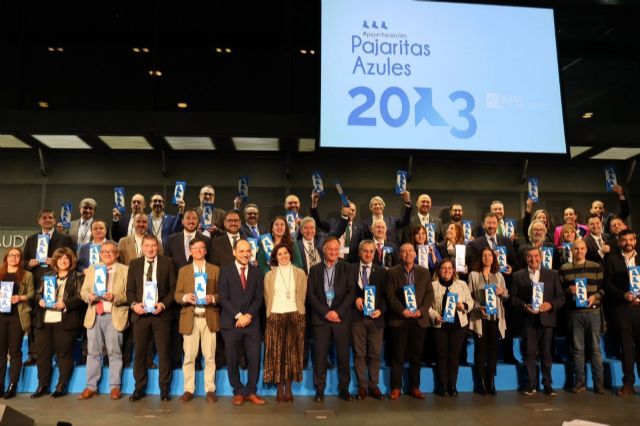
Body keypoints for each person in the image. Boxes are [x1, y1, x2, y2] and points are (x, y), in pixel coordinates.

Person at [127, 234, 176, 402]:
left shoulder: (168, 263)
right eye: (147, 245)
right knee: (139, 354)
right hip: (140, 316)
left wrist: (162, 304)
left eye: (153, 245)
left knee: (164, 354)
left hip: (160, 315)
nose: (150, 249)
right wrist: (134, 305)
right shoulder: (134, 264)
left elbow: (173, 290)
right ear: (142, 247)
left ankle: (165, 390)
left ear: (158, 246)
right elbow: (130, 290)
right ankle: (139, 389)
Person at [78, 241, 129, 400]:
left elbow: (129, 295)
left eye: (111, 251)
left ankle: (115, 387)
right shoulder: (93, 269)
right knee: (93, 353)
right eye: (104, 252)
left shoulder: (125, 270)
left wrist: (115, 297)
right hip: (95, 314)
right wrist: (89, 296)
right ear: (100, 254)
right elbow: (83, 291)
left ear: (117, 254)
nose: (107, 254)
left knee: (114, 352)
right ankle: (91, 387)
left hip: (114, 315)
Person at [510, 246, 565, 396]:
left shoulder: (552, 275)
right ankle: (530, 385)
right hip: (527, 320)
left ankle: (547, 385)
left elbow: (561, 298)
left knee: (547, 354)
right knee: (529, 354)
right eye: (530, 256)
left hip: (546, 320)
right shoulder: (517, 276)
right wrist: (524, 306)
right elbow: (513, 299)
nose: (533, 259)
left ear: (541, 257)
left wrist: (550, 305)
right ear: (525, 258)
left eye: (536, 256)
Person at [31, 247, 85, 398]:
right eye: (60, 258)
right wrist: (40, 300)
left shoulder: (78, 277)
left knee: (64, 354)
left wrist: (66, 304)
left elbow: (81, 296)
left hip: (66, 321)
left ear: (71, 261)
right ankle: (42, 385)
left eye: (66, 258)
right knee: (43, 355)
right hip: (45, 321)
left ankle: (61, 385)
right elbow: (36, 294)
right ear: (55, 261)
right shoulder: (47, 276)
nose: (63, 261)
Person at [307, 237, 355, 402]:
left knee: (343, 357)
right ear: (324, 250)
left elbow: (351, 293)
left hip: (341, 319)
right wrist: (326, 312)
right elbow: (311, 295)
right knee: (320, 358)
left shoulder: (347, 267)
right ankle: (319, 391)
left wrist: (337, 312)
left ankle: (344, 390)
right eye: (330, 249)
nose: (333, 252)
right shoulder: (314, 270)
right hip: (321, 320)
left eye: (336, 249)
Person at [218, 239, 266, 406]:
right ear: (234, 252)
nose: (246, 254)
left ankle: (251, 391)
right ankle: (238, 391)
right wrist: (239, 316)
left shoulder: (256, 271)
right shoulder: (225, 272)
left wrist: (248, 316)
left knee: (254, 358)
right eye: (241, 251)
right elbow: (223, 298)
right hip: (231, 324)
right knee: (232, 359)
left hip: (252, 324)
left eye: (248, 251)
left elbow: (259, 297)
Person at [174, 237, 220, 403]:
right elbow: (177, 294)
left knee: (210, 357)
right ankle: (188, 389)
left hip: (209, 318)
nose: (199, 251)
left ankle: (210, 390)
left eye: (201, 248)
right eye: (195, 249)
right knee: (189, 357)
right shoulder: (184, 271)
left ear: (205, 250)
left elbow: (222, 294)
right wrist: (186, 297)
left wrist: (213, 298)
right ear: (190, 251)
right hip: (190, 318)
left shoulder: (215, 270)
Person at [386, 243, 434, 400]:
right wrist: (402, 311)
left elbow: (429, 295)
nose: (407, 253)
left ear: (415, 253)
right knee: (397, 356)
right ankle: (395, 387)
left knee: (416, 356)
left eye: (410, 251)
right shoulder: (392, 272)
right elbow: (390, 295)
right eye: (404, 251)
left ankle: (414, 387)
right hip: (400, 319)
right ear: (400, 255)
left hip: (419, 320)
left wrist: (421, 311)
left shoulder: (424, 272)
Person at [558, 239, 605, 394]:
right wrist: (568, 290)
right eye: (576, 249)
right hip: (574, 314)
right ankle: (580, 382)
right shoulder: (564, 268)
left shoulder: (596, 266)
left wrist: (595, 297)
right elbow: (559, 292)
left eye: (582, 248)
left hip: (593, 312)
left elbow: (603, 289)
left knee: (595, 349)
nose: (579, 251)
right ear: (571, 251)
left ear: (586, 250)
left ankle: (599, 383)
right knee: (577, 350)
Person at [263, 243, 307, 402]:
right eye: (280, 254)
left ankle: (289, 389)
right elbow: (267, 297)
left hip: (295, 315)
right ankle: (279, 389)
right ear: (275, 256)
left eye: (286, 253)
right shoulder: (269, 275)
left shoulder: (300, 273)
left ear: (290, 254)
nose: (283, 256)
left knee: (293, 355)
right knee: (276, 355)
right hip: (275, 316)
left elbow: (303, 294)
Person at [429, 259, 474, 397]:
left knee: (454, 356)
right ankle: (442, 386)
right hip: (439, 325)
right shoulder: (432, 285)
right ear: (439, 270)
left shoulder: (462, 284)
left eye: (449, 268)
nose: (447, 270)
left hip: (458, 326)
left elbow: (470, 302)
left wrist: (464, 306)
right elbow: (427, 307)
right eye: (444, 268)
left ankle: (452, 385)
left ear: (453, 270)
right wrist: (435, 315)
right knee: (442, 355)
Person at [468, 248, 509, 395]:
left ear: (493, 258)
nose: (487, 257)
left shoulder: (498, 275)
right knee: (480, 351)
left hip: (494, 319)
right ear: (480, 258)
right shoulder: (473, 275)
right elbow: (469, 297)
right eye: (484, 255)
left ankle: (491, 381)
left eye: (489, 255)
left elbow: (506, 295)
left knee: (493, 351)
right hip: (480, 318)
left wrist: (502, 292)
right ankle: (480, 382)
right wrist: (479, 307)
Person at [604, 229, 640, 396]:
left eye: (630, 240)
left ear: (635, 241)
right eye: (624, 240)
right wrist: (623, 295)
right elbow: (608, 284)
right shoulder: (612, 260)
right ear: (619, 242)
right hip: (623, 308)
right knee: (626, 348)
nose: (627, 243)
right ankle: (628, 384)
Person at [351, 240, 387, 400]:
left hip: (376, 319)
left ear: (374, 253)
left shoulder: (381, 271)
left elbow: (387, 296)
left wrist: (380, 310)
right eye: (365, 251)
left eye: (371, 251)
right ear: (359, 252)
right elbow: (344, 290)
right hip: (357, 318)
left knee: (375, 354)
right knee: (359, 354)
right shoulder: (350, 269)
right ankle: (362, 387)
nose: (368, 254)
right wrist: (355, 299)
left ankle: (374, 385)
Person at [0, 247, 34, 399]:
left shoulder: (27, 274)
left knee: (15, 352)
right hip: (1, 317)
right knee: (0, 353)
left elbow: (32, 294)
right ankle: (0, 385)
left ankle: (13, 385)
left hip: (17, 317)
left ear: (20, 259)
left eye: (17, 256)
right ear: (6, 257)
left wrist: (20, 298)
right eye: (11, 255)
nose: (14, 258)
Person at [311, 192, 362, 263]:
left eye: (353, 210)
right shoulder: (332, 222)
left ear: (356, 212)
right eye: (348, 208)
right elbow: (318, 222)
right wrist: (314, 203)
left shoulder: (360, 228)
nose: (350, 211)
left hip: (352, 263)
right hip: (334, 260)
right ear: (342, 210)